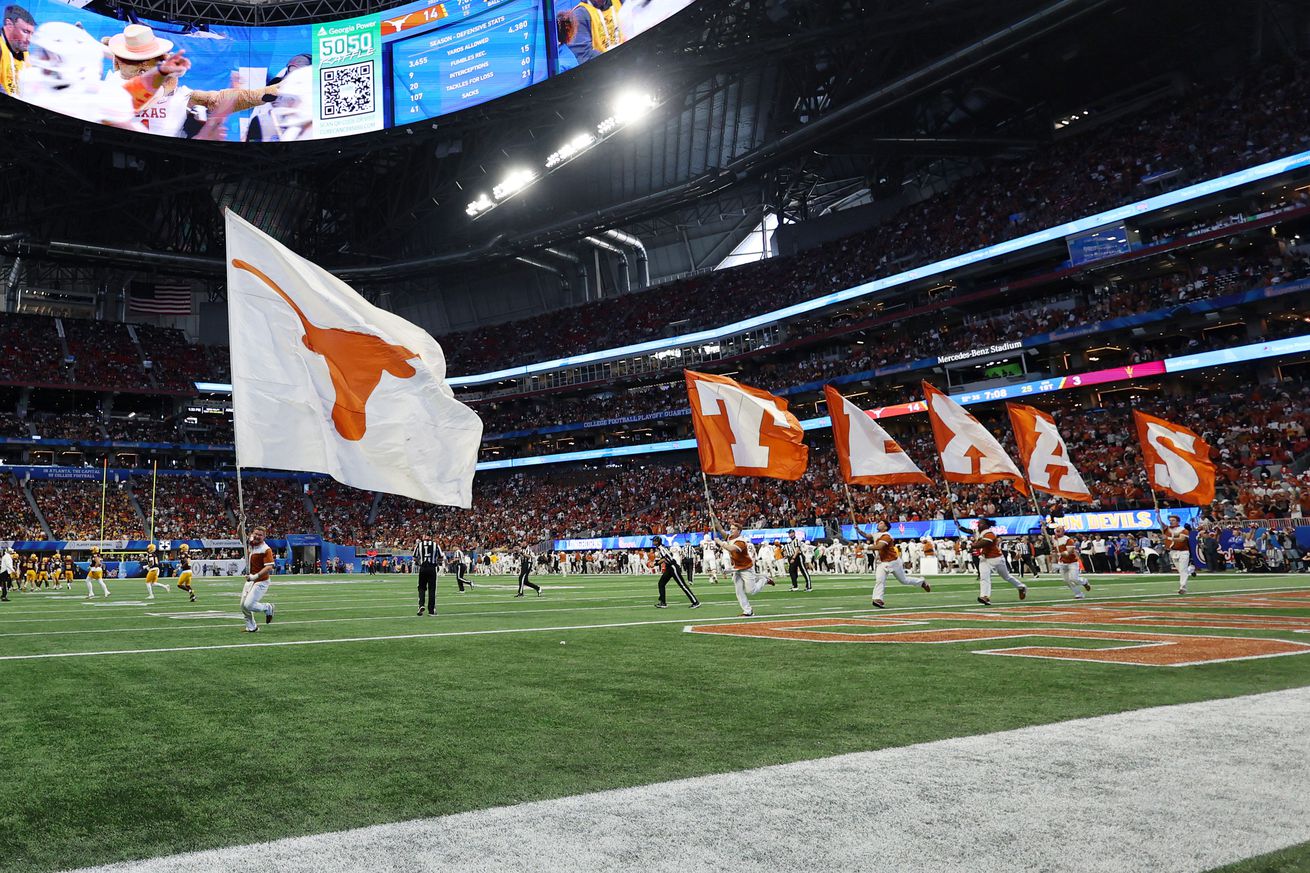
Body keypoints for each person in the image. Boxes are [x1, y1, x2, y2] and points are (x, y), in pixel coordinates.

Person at [104, 24, 279, 137]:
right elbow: (130, 101)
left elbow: (216, 99)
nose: (142, 71)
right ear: (118, 62)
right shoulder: (112, 84)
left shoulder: (180, 93)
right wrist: (164, 84)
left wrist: (262, 94)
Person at [853, 518, 930, 608]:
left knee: (904, 580)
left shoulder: (887, 536)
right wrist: (858, 530)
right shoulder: (877, 534)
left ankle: (922, 582)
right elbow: (866, 536)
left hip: (893, 562)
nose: (878, 524)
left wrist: (865, 547)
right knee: (879, 580)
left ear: (885, 527)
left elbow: (879, 546)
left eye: (881, 523)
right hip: (883, 562)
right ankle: (878, 599)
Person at [714, 520, 773, 617]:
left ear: (739, 531)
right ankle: (748, 611)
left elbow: (731, 548)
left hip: (746, 567)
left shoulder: (741, 541)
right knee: (739, 591)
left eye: (733, 529)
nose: (731, 530)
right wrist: (714, 517)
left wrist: (720, 542)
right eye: (731, 529)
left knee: (751, 591)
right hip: (736, 568)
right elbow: (720, 528)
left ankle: (764, 579)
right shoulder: (730, 537)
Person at [972, 518, 1027, 606]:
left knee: (1006, 577)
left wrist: (972, 545)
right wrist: (959, 526)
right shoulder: (979, 532)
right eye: (978, 523)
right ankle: (985, 596)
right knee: (984, 577)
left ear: (986, 525)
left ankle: (1021, 587)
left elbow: (984, 543)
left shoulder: (990, 533)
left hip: (996, 558)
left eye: (981, 523)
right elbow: (968, 531)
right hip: (984, 558)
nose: (979, 525)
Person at [240, 527, 276, 632]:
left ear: (264, 537)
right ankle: (252, 627)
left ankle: (267, 607)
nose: (257, 536)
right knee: (243, 606)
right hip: (250, 580)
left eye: (260, 535)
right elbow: (241, 536)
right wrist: (240, 522)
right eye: (255, 534)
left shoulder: (265, 549)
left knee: (249, 604)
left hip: (261, 580)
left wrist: (255, 576)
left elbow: (269, 567)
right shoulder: (251, 543)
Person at [652, 536, 699, 609]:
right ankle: (663, 602)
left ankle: (695, 602)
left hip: (673, 567)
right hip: (669, 567)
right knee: (661, 583)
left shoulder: (661, 548)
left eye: (654, 541)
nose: (653, 542)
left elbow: (665, 558)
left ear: (657, 541)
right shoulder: (661, 548)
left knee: (682, 585)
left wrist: (655, 564)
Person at [0, 4, 34, 95]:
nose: (29, 39)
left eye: (31, 33)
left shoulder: (23, 50)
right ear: (9, 24)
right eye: (25, 32)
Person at [1051, 525, 1091, 600]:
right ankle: (1078, 593)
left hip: (1072, 562)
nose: (1058, 531)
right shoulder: (1054, 539)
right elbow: (1046, 534)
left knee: (1074, 579)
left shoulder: (1068, 540)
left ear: (1063, 531)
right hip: (1062, 563)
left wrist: (1060, 554)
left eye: (1060, 529)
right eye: (1057, 529)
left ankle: (1084, 581)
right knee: (1066, 580)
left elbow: (1069, 552)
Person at [1163, 514, 1193, 595]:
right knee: (1181, 570)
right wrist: (1157, 513)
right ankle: (1190, 569)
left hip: (1183, 551)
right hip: (1173, 552)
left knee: (1183, 570)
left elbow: (1181, 539)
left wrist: (1168, 538)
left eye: (1173, 520)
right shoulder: (1168, 529)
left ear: (1178, 521)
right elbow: (1160, 523)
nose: (1171, 522)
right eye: (1170, 520)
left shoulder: (1183, 530)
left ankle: (1183, 587)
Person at [413, 533, 441, 616]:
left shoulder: (419, 545)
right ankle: (431, 610)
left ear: (425, 537)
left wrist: (420, 563)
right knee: (432, 589)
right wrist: (437, 563)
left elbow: (415, 557)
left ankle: (421, 605)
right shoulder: (435, 545)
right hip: (432, 568)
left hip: (423, 568)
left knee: (421, 588)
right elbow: (441, 557)